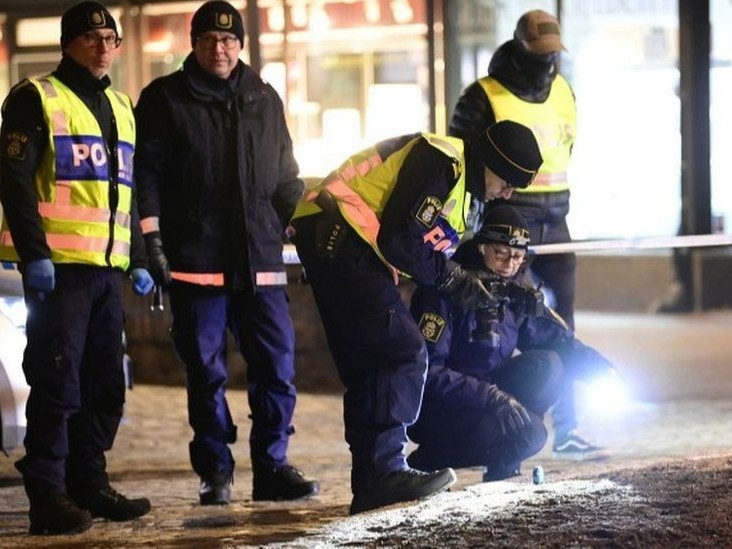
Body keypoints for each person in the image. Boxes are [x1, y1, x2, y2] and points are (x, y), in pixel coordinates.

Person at [290, 120, 543, 514]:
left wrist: (479, 284)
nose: (506, 193)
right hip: (340, 233)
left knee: (370, 364)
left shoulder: (460, 194)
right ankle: (386, 470)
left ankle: (372, 481)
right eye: (507, 181)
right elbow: (399, 239)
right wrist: (453, 279)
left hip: (337, 238)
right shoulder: (442, 160)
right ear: (491, 161)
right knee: (403, 350)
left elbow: (425, 252)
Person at [134, 0, 318, 506]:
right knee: (207, 373)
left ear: (240, 45)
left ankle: (272, 466)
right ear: (193, 43)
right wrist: (151, 242)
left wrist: (306, 224)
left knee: (277, 367)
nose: (220, 48)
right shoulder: (164, 100)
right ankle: (216, 470)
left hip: (260, 259)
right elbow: (144, 178)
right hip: (197, 260)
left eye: (229, 40)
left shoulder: (263, 96)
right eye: (210, 40)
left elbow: (285, 178)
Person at [0, 1, 154, 535]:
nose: (103, 47)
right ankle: (47, 493)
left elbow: (124, 192)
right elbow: (15, 181)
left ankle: (89, 481)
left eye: (110, 39)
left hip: (106, 270)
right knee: (57, 380)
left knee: (105, 383)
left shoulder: (120, 105)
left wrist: (135, 254)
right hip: (60, 272)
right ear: (69, 43)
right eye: (91, 38)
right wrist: (35, 252)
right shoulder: (35, 98)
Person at [448, 9, 602, 459]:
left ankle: (570, 428)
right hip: (508, 222)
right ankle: (502, 423)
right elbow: (467, 161)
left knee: (561, 324)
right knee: (505, 322)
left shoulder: (564, 90)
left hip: (557, 219)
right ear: (520, 49)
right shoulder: (483, 95)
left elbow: (567, 149)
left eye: (554, 53)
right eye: (541, 53)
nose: (548, 61)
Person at [406, 206, 616, 479]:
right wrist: (491, 397)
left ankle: (503, 466)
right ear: (482, 247)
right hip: (440, 406)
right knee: (518, 435)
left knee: (548, 366)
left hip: (488, 397)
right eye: (501, 253)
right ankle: (429, 459)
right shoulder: (448, 289)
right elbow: (428, 372)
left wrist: (601, 369)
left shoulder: (513, 292)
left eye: (517, 256)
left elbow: (556, 339)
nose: (509, 263)